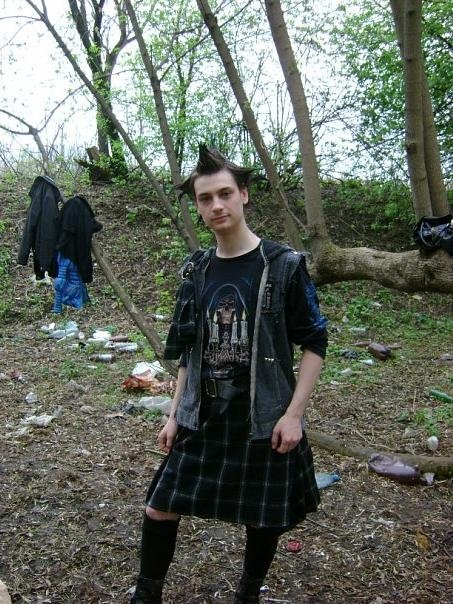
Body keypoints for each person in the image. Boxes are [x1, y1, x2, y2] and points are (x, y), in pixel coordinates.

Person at [131, 146, 328, 604]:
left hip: (262, 416)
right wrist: (175, 413)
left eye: (224, 194)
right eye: (205, 198)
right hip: (205, 414)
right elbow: (189, 349)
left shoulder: (283, 265)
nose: (216, 205)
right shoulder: (197, 269)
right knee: (160, 506)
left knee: (263, 516)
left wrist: (294, 415)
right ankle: (146, 594)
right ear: (198, 206)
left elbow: (315, 343)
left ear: (244, 195)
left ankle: (247, 593)